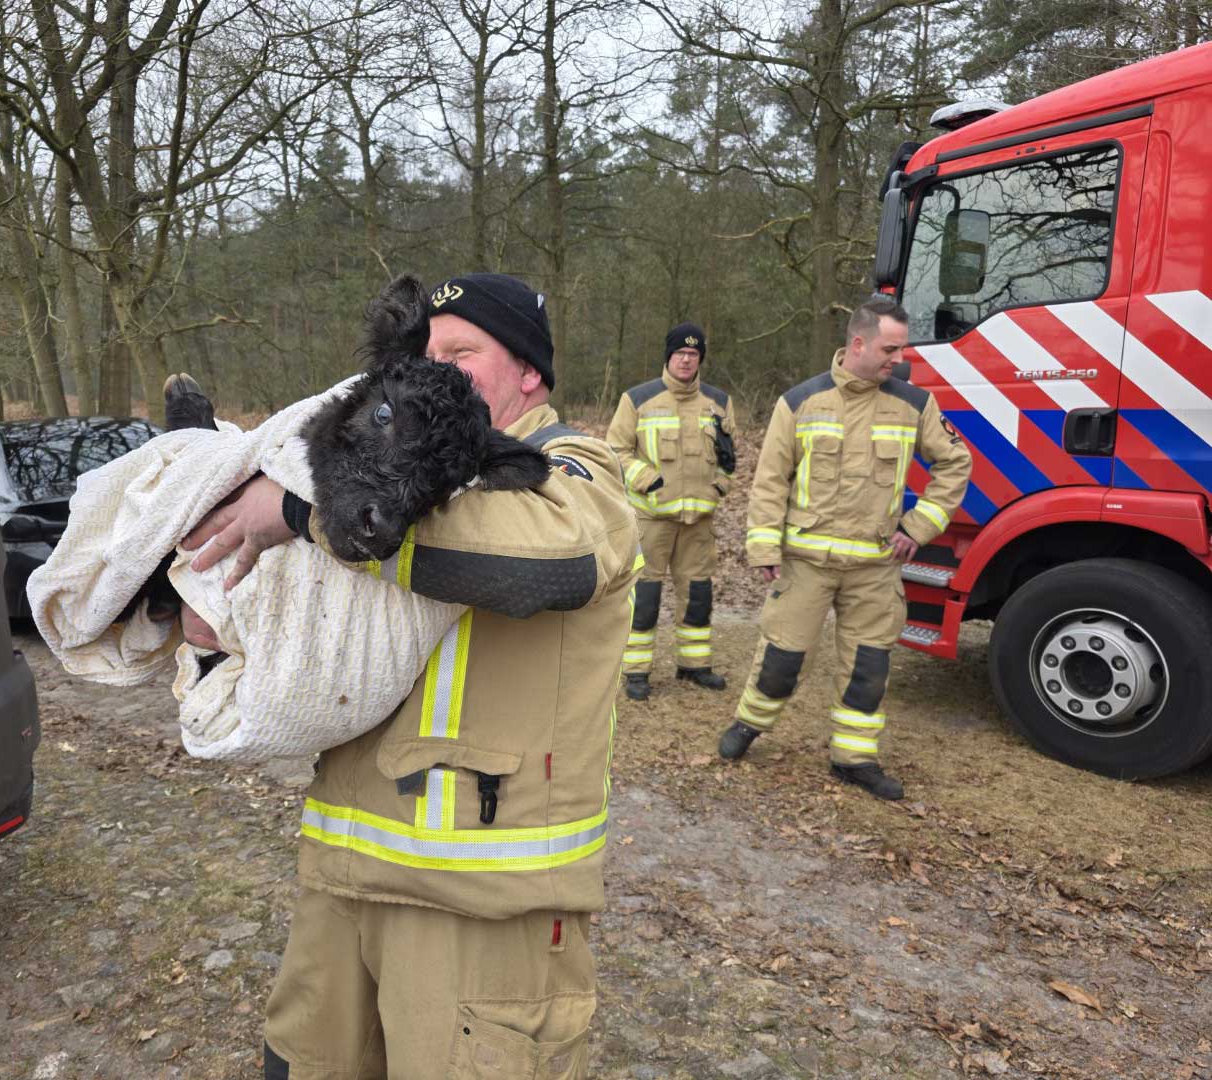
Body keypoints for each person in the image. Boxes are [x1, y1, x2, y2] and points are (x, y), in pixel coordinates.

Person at [180, 272, 640, 1078]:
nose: (439, 369)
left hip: (481, 903)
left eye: (463, 351)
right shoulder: (378, 457)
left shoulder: (577, 471)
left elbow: (550, 560)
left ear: (529, 370)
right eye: (428, 352)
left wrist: (301, 511)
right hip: (343, 876)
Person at [716, 299, 971, 800]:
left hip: (875, 570)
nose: (896, 358)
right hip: (805, 565)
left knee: (868, 669)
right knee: (781, 661)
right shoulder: (799, 402)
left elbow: (955, 464)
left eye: (899, 349)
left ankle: (853, 758)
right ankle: (749, 723)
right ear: (858, 343)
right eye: (889, 348)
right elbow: (770, 481)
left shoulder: (914, 405)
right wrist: (764, 545)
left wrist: (919, 527)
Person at [606, 322, 736, 701]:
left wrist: (720, 486)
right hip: (652, 518)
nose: (686, 360)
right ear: (668, 356)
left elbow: (730, 456)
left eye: (693, 355)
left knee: (697, 594)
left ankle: (694, 665)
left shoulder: (720, 403)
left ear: (700, 360)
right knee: (644, 597)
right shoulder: (638, 399)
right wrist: (647, 479)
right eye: (680, 353)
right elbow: (616, 449)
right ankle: (636, 671)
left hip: (699, 522)